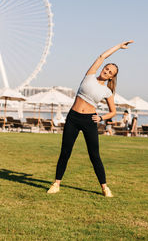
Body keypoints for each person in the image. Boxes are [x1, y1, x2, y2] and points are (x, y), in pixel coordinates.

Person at [47, 40, 134, 197]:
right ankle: (56, 183)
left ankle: (104, 187)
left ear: (111, 77)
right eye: (106, 68)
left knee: (94, 155)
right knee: (65, 151)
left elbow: (113, 112)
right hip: (73, 117)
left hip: (89, 121)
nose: (106, 72)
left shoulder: (107, 92)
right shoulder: (90, 75)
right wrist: (119, 47)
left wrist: (101, 118)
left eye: (110, 73)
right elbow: (102, 56)